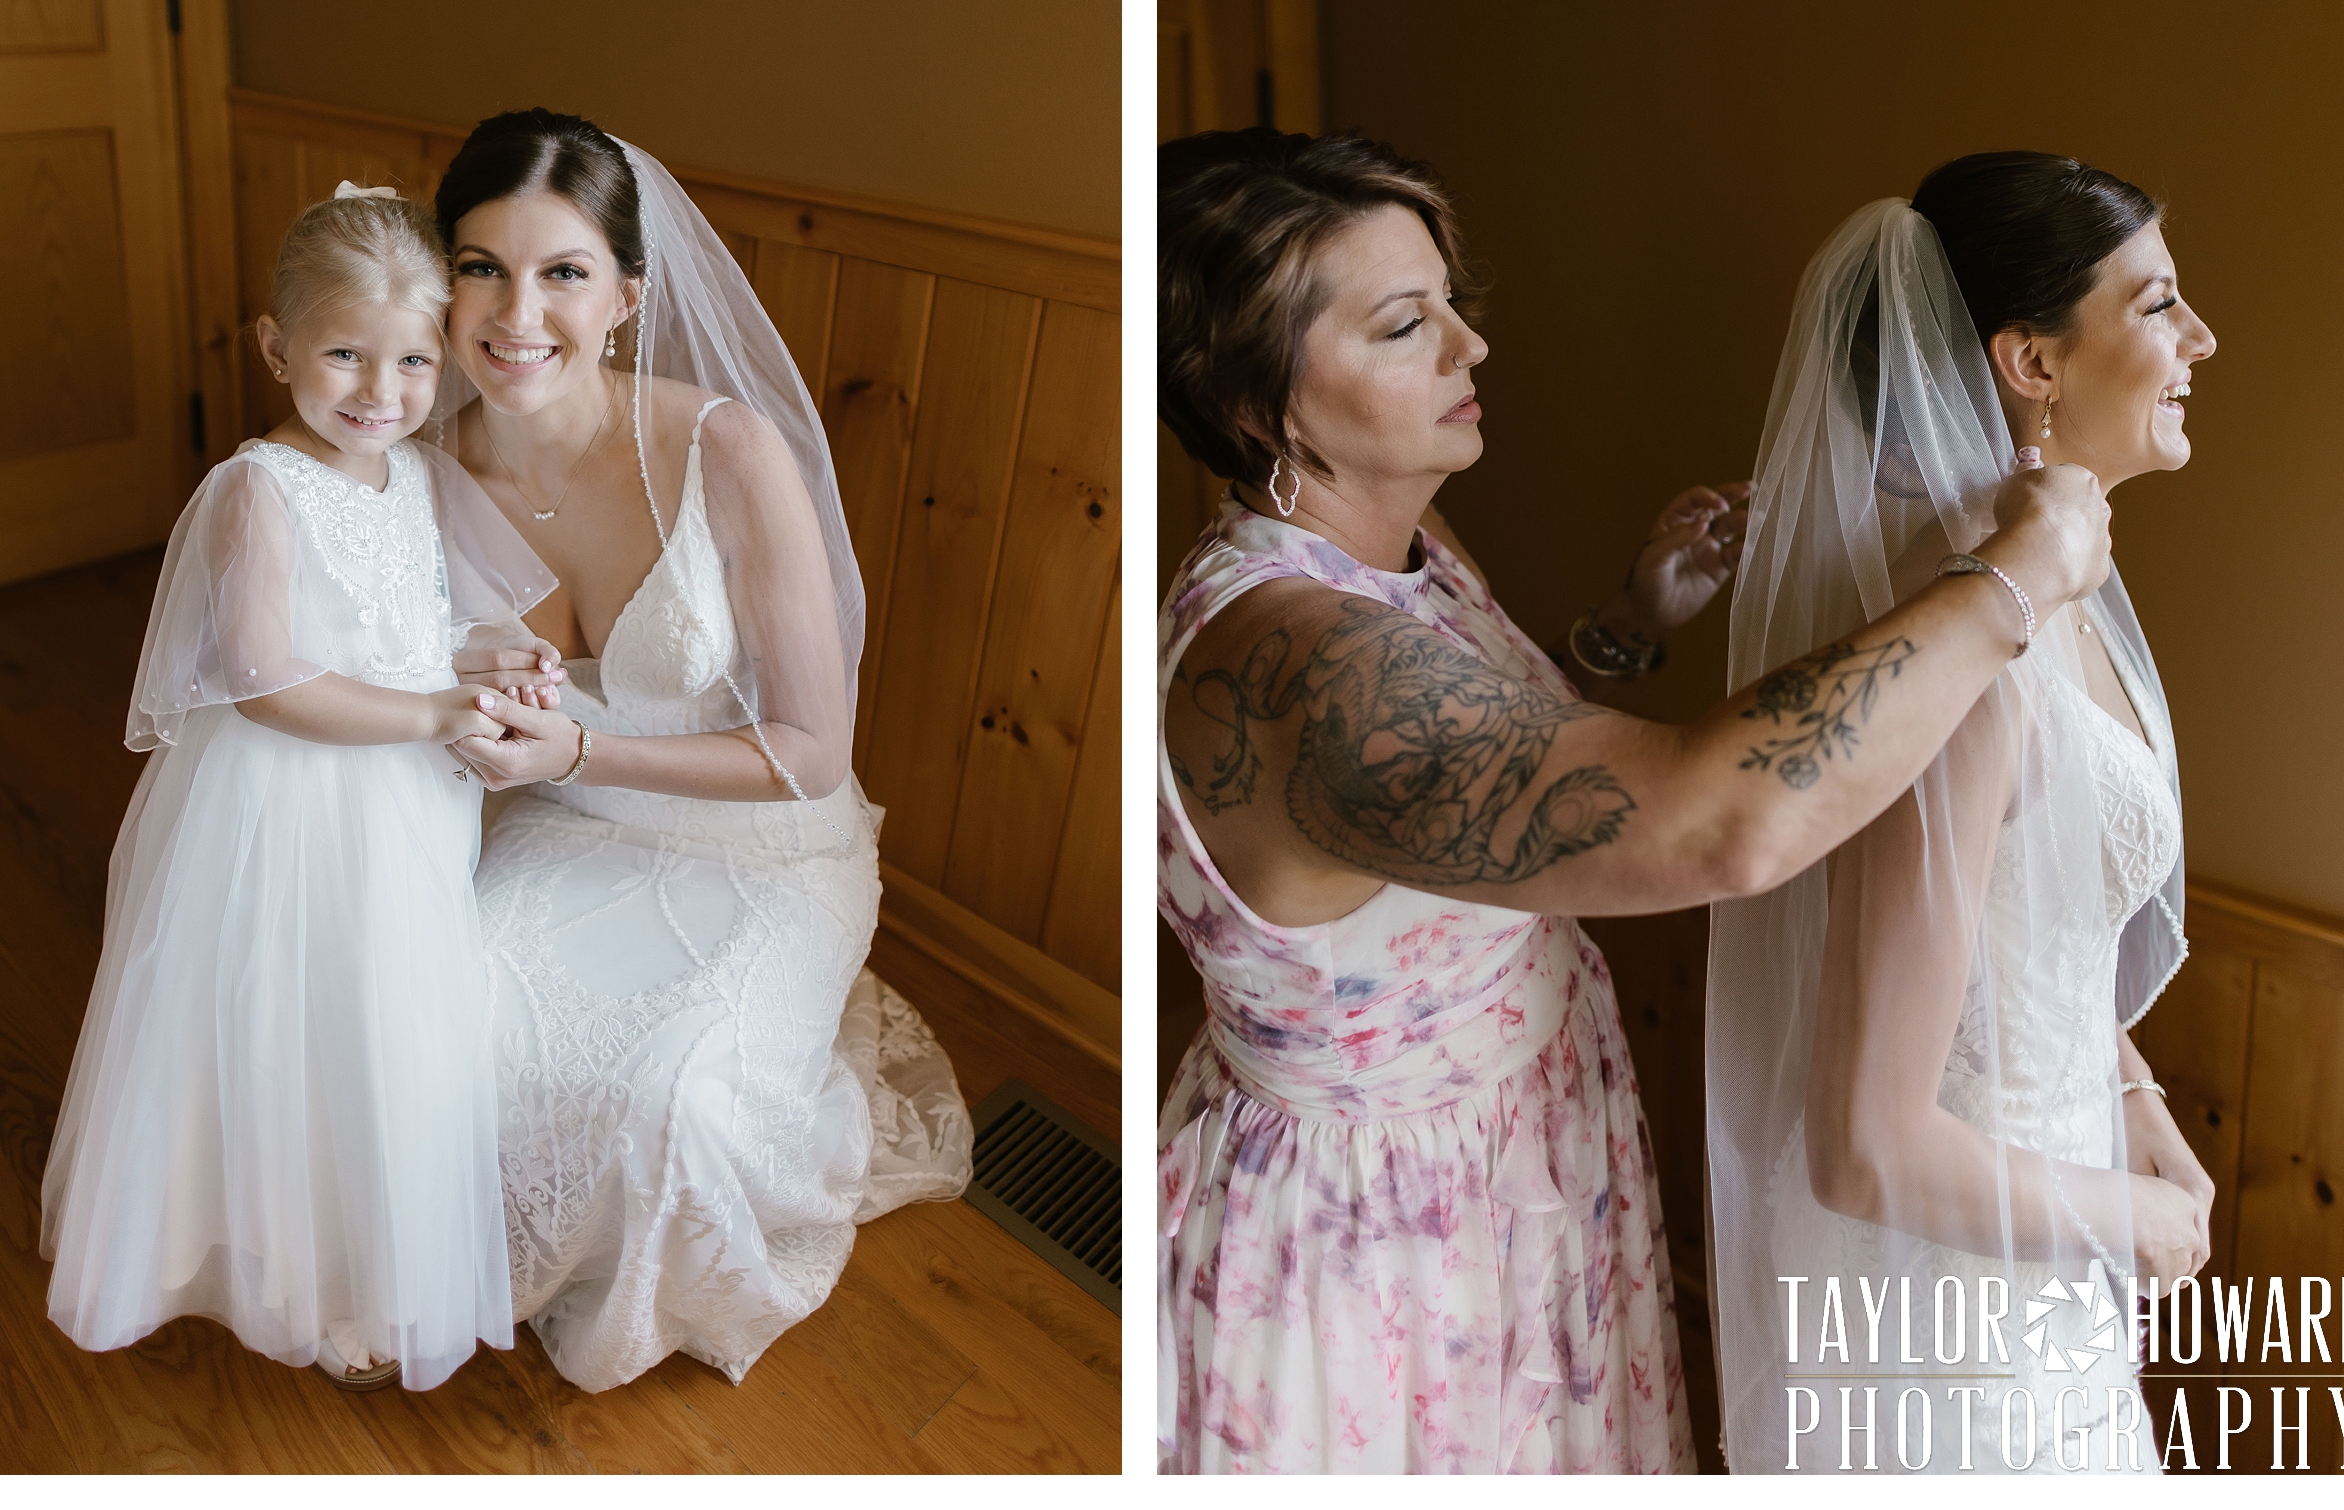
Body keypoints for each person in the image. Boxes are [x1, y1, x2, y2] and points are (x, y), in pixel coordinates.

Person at [1154, 128, 2117, 1475]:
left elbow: (1463, 785)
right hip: (1385, 1244)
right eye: (1403, 325)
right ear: (1257, 404)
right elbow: (1714, 819)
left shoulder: (1394, 549)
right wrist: (2012, 580)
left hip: (1520, 1159)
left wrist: (1622, 625)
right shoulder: (1300, 660)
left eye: (1450, 301)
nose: (1471, 345)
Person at [423, 110, 972, 1393]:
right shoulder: (430, 460)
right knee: (442, 1023)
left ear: (626, 295)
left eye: (563, 272)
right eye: (481, 266)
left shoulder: (724, 448)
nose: (517, 312)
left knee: (677, 1100)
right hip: (568, 826)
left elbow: (810, 751)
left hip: (765, 841)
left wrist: (573, 749)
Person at [1707, 154, 2218, 1474]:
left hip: (2040, 1230)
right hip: (1943, 1305)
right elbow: (1865, 1146)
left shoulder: (2058, 590)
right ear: (2032, 361)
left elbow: (2024, 921)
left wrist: (2134, 1094)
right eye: (2158, 303)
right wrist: (2133, 1218)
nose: (2201, 338)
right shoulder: (1967, 661)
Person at [42, 185, 552, 1391]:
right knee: (286, 1015)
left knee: (380, 1013)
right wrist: (434, 715)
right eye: (343, 355)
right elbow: (266, 679)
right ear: (276, 348)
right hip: (288, 802)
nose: (379, 390)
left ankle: (366, 1249)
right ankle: (282, 1261)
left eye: (412, 360)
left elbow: (412, 626)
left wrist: (490, 657)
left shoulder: (413, 474)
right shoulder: (258, 488)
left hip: (400, 807)